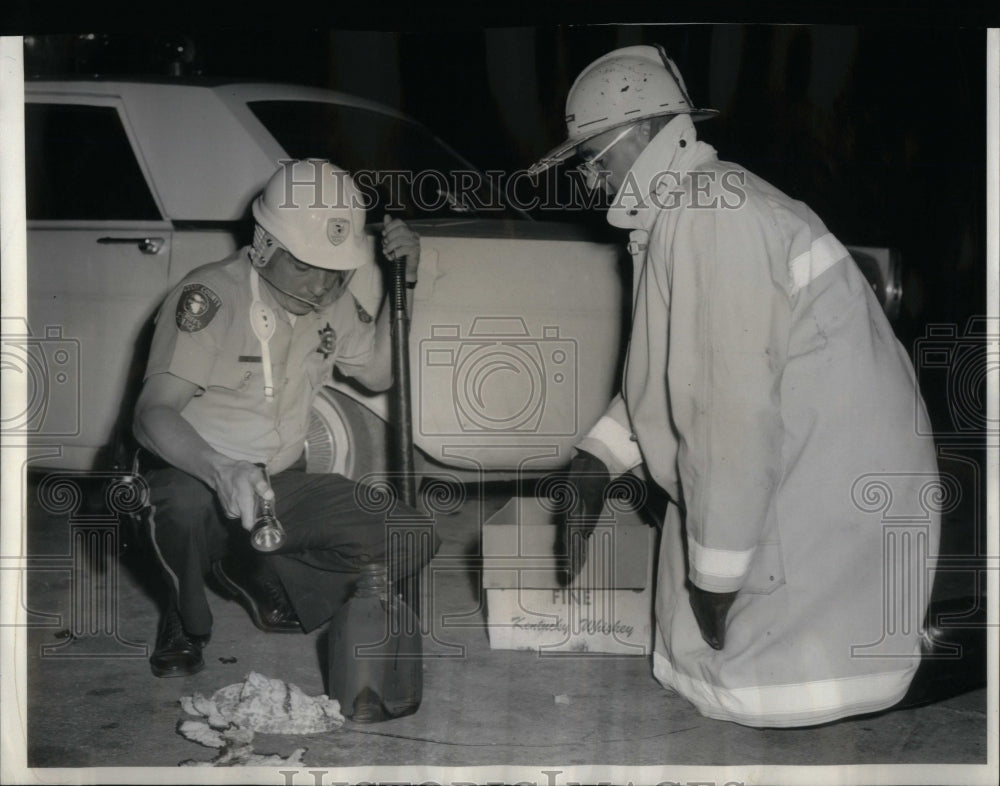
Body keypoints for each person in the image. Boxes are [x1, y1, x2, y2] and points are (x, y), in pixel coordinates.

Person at [530, 45, 946, 727]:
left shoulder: (710, 215)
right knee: (695, 613)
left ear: (636, 136)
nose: (590, 178)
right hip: (816, 465)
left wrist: (718, 580)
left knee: (744, 664)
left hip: (826, 485)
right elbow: (677, 374)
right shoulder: (696, 205)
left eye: (591, 157)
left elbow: (727, 411)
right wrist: (596, 460)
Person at [133, 159, 437, 678]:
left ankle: (251, 565)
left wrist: (405, 281)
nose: (322, 286)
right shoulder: (210, 296)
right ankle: (185, 617)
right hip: (195, 473)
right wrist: (222, 470)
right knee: (179, 506)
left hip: (281, 481)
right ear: (264, 244)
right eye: (305, 265)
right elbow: (151, 415)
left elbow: (382, 374)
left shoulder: (331, 300)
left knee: (411, 535)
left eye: (336, 270)